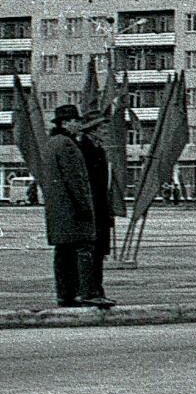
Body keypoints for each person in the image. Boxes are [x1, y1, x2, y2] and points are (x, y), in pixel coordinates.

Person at [43, 104, 111, 308]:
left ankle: (65, 294)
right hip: (72, 210)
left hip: (58, 211)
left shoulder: (52, 143)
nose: (78, 125)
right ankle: (88, 292)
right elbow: (76, 180)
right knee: (84, 249)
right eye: (75, 121)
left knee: (63, 252)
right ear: (65, 123)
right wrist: (85, 207)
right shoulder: (67, 145)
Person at [73, 111, 117, 304]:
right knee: (91, 252)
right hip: (91, 210)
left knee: (98, 253)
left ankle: (96, 290)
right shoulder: (84, 150)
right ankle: (90, 292)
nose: (106, 132)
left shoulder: (98, 149)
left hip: (100, 209)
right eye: (102, 128)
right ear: (92, 130)